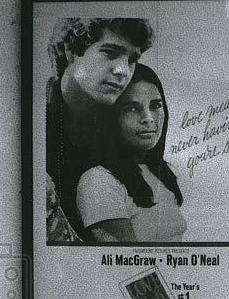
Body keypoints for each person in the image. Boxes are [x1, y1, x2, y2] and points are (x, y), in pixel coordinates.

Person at [46, 17, 154, 241]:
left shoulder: (121, 124)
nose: (123, 71)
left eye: (132, 60)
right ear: (70, 50)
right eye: (110, 53)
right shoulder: (36, 118)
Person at [75, 63, 186, 243]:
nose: (149, 118)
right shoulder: (98, 180)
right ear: (109, 118)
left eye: (155, 105)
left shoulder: (158, 171)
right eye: (132, 108)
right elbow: (126, 264)